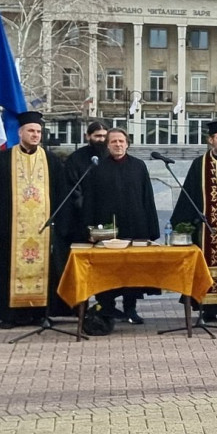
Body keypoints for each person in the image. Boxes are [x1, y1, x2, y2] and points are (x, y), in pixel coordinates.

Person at [0, 112, 76, 327]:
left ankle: (39, 313)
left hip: (43, 231)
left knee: (44, 272)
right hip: (10, 229)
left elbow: (63, 195)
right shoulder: (3, 159)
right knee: (6, 272)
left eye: (38, 131)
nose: (35, 135)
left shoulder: (51, 161)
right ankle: (9, 315)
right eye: (31, 131)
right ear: (20, 133)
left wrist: (61, 227)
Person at [82, 128, 160, 323]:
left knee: (132, 271)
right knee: (107, 270)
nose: (118, 145)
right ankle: (107, 306)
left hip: (135, 226)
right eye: (114, 141)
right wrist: (89, 229)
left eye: (121, 141)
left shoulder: (138, 166)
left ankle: (130, 308)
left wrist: (151, 230)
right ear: (107, 145)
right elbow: (90, 200)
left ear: (127, 144)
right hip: (107, 229)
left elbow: (147, 198)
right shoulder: (98, 167)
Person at [171, 120, 217, 322]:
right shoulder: (199, 164)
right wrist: (184, 224)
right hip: (204, 229)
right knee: (204, 266)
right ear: (210, 140)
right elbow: (189, 196)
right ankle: (206, 307)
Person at [65, 121, 108, 186]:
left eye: (105, 136)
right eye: (98, 136)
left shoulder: (112, 156)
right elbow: (71, 184)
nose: (102, 139)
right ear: (88, 136)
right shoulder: (76, 158)